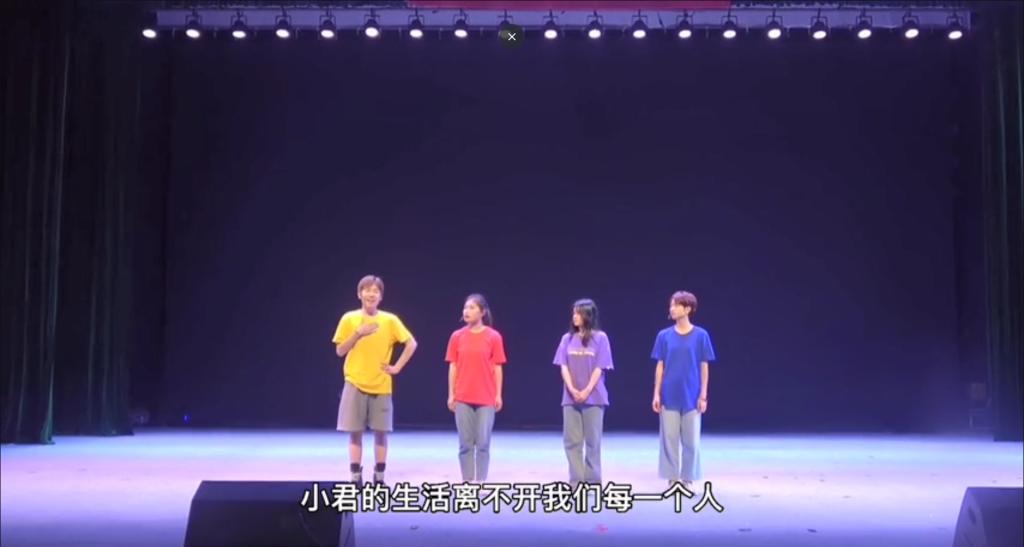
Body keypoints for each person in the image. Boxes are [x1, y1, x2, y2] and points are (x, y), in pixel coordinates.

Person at [332, 275, 417, 486]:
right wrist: (357, 334)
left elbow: (411, 343)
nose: (371, 294)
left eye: (376, 291)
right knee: (355, 433)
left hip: (381, 384)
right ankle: (355, 476)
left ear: (381, 296)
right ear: (359, 294)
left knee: (381, 432)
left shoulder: (390, 320)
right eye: (367, 290)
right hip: (354, 381)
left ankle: (379, 476)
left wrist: (397, 367)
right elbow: (340, 350)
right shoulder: (349, 318)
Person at [650, 290, 716, 490]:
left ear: (687, 309)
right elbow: (660, 365)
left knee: (691, 441)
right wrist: (656, 393)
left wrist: (703, 395)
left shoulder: (701, 335)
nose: (672, 308)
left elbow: (704, 366)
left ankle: (688, 477)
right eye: (671, 304)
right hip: (669, 394)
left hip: (692, 395)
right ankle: (672, 477)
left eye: (676, 305)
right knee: (669, 439)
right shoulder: (664, 335)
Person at [445, 293, 507, 483]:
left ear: (482, 312)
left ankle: (480, 482)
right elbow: (453, 366)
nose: (467, 311)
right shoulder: (457, 336)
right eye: (465, 307)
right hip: (463, 396)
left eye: (472, 308)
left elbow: (498, 367)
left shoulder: (493, 337)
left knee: (483, 443)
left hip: (486, 397)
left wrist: (498, 394)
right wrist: (451, 394)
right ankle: (467, 481)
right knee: (465, 444)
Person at [553, 298, 614, 487]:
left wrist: (586, 390)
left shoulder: (601, 338)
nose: (574, 316)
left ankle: (593, 480)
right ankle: (576, 481)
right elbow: (563, 366)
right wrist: (572, 389)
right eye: (574, 312)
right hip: (570, 398)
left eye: (578, 313)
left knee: (593, 441)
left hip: (594, 397)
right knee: (572, 442)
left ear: (588, 315)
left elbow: (600, 367)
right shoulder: (567, 339)